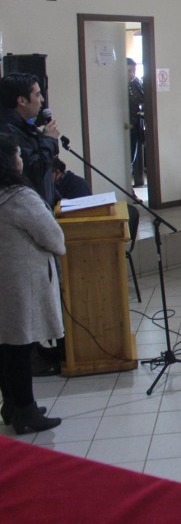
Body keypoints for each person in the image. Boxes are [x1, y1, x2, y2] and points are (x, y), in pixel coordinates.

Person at [0, 134, 65, 434]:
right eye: (18, 155)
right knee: (20, 347)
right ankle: (25, 411)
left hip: (5, 280)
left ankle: (12, 404)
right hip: (20, 281)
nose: (22, 159)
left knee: (6, 346)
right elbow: (53, 237)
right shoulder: (20, 196)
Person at [0, 73, 62, 208]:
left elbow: (45, 173)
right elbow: (34, 171)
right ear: (22, 100)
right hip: (28, 210)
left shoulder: (25, 127)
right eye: (37, 95)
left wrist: (59, 201)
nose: (42, 100)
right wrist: (49, 140)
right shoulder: (8, 131)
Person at [127, 58, 145, 186]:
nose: (132, 74)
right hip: (122, 127)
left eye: (133, 70)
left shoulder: (135, 83)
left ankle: (130, 188)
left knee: (132, 157)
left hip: (134, 125)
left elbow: (142, 99)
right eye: (129, 71)